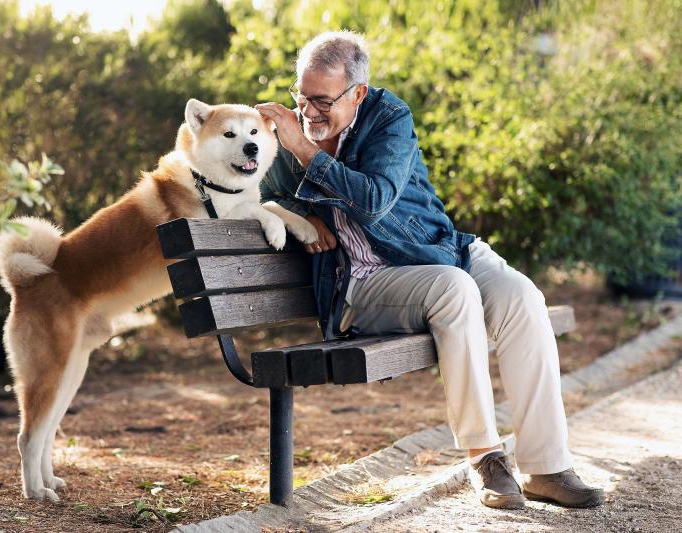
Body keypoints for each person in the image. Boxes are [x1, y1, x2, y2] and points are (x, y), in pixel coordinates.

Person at [256, 30, 604, 510]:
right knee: (454, 288)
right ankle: (485, 458)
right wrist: (299, 216)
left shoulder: (387, 117)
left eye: (321, 101)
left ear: (356, 94)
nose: (307, 113)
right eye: (300, 96)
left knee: (522, 298)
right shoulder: (289, 138)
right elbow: (258, 192)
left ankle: (547, 467)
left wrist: (306, 154)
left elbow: (375, 200)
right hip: (365, 283)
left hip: (438, 251)